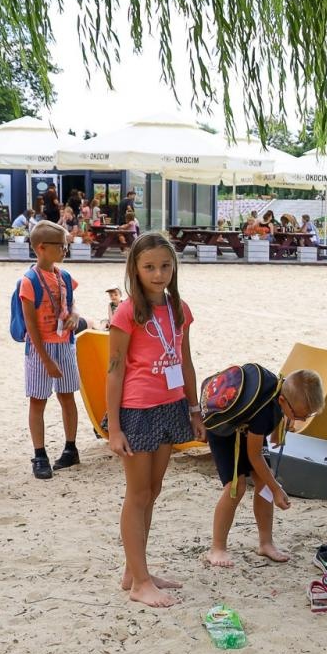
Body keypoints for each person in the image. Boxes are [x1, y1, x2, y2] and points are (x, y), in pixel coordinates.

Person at [106, 232, 203, 608]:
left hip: (171, 405)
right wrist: (113, 428)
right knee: (138, 493)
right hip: (136, 410)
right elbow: (114, 371)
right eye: (149, 267)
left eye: (165, 266)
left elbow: (187, 361)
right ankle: (139, 583)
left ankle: (136, 570)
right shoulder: (127, 312)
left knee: (154, 490)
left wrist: (194, 410)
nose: (158, 274)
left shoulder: (179, 308)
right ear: (135, 269)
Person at [203, 367, 326, 567]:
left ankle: (266, 543)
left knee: (264, 485)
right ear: (283, 402)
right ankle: (217, 548)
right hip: (225, 432)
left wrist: (279, 430)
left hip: (249, 428)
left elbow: (274, 418)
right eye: (299, 416)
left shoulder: (281, 389)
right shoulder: (264, 414)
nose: (300, 421)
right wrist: (277, 489)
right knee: (236, 487)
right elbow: (254, 455)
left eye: (305, 417)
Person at [19, 221, 82, 480]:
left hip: (65, 344)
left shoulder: (63, 276)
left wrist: (74, 316)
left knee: (67, 396)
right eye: (61, 247)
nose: (65, 251)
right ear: (41, 248)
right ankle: (40, 454)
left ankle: (70, 448)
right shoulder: (29, 281)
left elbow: (73, 304)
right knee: (38, 400)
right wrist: (46, 360)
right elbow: (30, 325)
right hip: (39, 350)